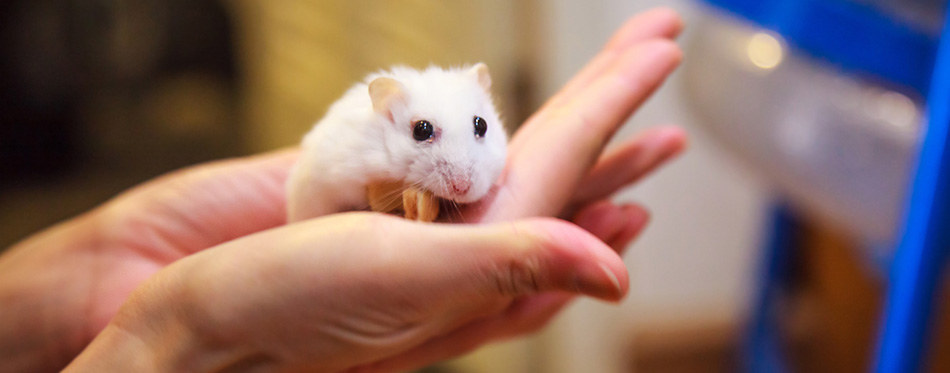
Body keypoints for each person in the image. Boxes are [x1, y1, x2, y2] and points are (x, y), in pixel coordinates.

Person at [0, 8, 686, 372]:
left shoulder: (471, 118)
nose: (464, 171)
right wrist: (175, 335)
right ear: (390, 114)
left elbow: (472, 156)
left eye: (479, 131)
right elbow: (323, 186)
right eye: (424, 135)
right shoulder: (363, 132)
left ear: (488, 108)